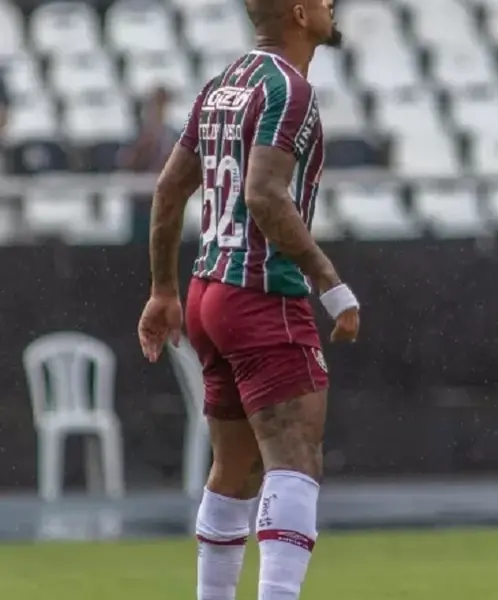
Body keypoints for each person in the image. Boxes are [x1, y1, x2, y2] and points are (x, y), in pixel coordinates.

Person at [135, 1, 359, 599]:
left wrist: (163, 289)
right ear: (299, 13)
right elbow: (264, 194)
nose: (331, 4)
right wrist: (330, 282)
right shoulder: (291, 88)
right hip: (263, 294)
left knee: (235, 469)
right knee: (295, 459)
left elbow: (169, 188)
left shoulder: (223, 83)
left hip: (210, 291)